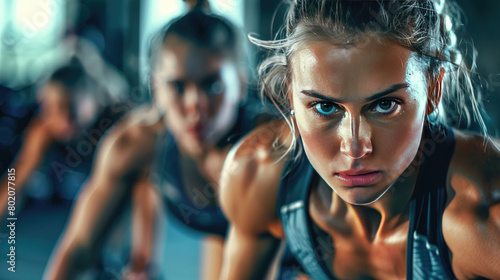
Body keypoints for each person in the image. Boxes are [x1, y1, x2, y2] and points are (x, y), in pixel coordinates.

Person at [219, 1, 500, 279]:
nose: (354, 147)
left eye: (385, 105)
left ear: (434, 89)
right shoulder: (257, 174)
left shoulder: (483, 216)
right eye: (325, 107)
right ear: (291, 95)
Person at [44, 9, 266, 280]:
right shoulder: (133, 142)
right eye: (178, 87)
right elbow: (79, 248)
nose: (195, 105)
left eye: (213, 86)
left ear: (241, 84)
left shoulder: (269, 149)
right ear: (155, 87)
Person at [0, 59, 110, 217]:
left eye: (70, 108)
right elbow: (14, 185)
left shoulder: (115, 125)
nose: (63, 120)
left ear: (92, 102)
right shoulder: (44, 128)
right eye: (52, 109)